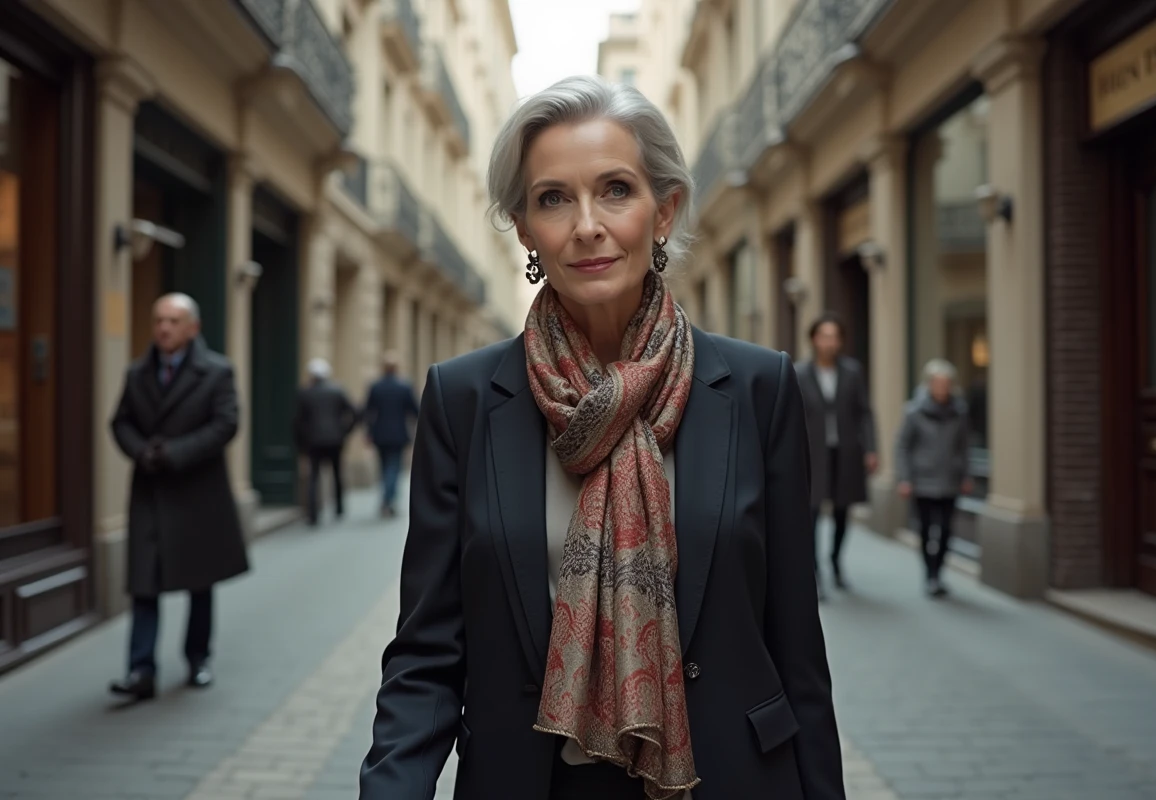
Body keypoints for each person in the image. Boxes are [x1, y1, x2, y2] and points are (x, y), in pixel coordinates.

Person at [361, 76, 844, 800]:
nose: (587, 223)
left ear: (664, 210)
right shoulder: (464, 399)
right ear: (525, 229)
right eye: (553, 198)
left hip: (726, 776)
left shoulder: (756, 388)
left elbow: (795, 643)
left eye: (615, 189)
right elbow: (427, 651)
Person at [108, 293, 249, 700]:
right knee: (143, 583)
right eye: (159, 320)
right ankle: (140, 671)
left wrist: (174, 453)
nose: (164, 328)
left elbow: (226, 424)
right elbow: (120, 422)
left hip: (197, 492)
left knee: (198, 581)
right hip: (150, 492)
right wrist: (141, 451)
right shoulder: (137, 374)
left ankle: (198, 658)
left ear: (193, 328)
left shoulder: (218, 371)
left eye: (173, 321)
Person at [794, 313, 877, 597]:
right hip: (813, 452)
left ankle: (836, 562)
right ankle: (814, 572)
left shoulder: (852, 372)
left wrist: (871, 448)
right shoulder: (799, 372)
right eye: (824, 335)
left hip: (846, 451)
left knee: (843, 511)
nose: (830, 342)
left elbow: (864, 413)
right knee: (812, 513)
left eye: (835, 336)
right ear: (814, 339)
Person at [895, 358, 972, 598]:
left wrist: (966, 474)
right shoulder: (914, 411)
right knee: (927, 530)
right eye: (938, 382)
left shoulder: (959, 412)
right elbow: (903, 446)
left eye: (946, 383)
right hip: (923, 480)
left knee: (947, 530)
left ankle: (938, 573)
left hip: (950, 478)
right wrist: (905, 478)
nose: (942, 387)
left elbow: (964, 446)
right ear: (929, 384)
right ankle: (929, 574)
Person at [293, 358, 358, 526]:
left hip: (313, 441)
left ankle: (313, 514)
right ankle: (339, 508)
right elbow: (355, 413)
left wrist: (301, 444)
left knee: (313, 477)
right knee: (337, 474)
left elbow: (298, 422)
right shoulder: (337, 391)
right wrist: (344, 432)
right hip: (335, 440)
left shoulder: (305, 393)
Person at [363, 352, 420, 517]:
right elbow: (415, 410)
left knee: (384, 467)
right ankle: (389, 500)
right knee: (393, 467)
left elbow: (368, 411)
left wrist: (368, 432)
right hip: (398, 434)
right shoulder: (404, 386)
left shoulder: (376, 386)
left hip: (379, 433)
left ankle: (387, 499)